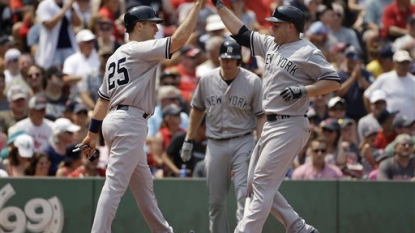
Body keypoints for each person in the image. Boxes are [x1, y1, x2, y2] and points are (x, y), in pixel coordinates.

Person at [211, 2, 341, 232]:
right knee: (255, 183)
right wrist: (219, 5)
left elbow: (333, 81)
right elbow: (241, 33)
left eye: (276, 25)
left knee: (261, 183)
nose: (271, 28)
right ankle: (298, 227)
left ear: (290, 27)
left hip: (290, 123)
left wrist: (304, 90)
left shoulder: (307, 51)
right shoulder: (271, 44)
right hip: (271, 124)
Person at [78, 3, 204, 233]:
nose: (156, 29)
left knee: (144, 186)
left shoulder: (115, 56)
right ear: (138, 26)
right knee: (115, 184)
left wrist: (91, 133)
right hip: (129, 121)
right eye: (152, 24)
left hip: (116, 119)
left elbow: (102, 101)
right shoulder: (139, 50)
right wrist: (196, 6)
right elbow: (177, 41)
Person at [181, 39, 266, 233]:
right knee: (216, 202)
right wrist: (188, 138)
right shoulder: (207, 79)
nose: (228, 63)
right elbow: (196, 110)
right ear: (219, 58)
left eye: (232, 59)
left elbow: (261, 115)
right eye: (224, 58)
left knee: (245, 196)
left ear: (239, 61)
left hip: (243, 140)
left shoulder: (252, 81)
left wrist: (260, 145)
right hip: (215, 143)